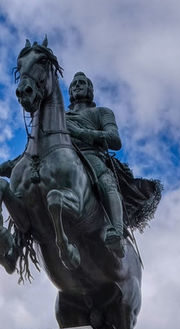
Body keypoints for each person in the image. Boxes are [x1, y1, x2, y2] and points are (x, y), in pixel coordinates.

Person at [65, 72, 126, 255]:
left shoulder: (102, 112)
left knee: (106, 181)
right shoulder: (60, 115)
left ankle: (117, 232)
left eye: (82, 83)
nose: (77, 85)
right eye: (74, 84)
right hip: (63, 157)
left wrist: (81, 133)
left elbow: (114, 140)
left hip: (92, 157)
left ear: (90, 89)